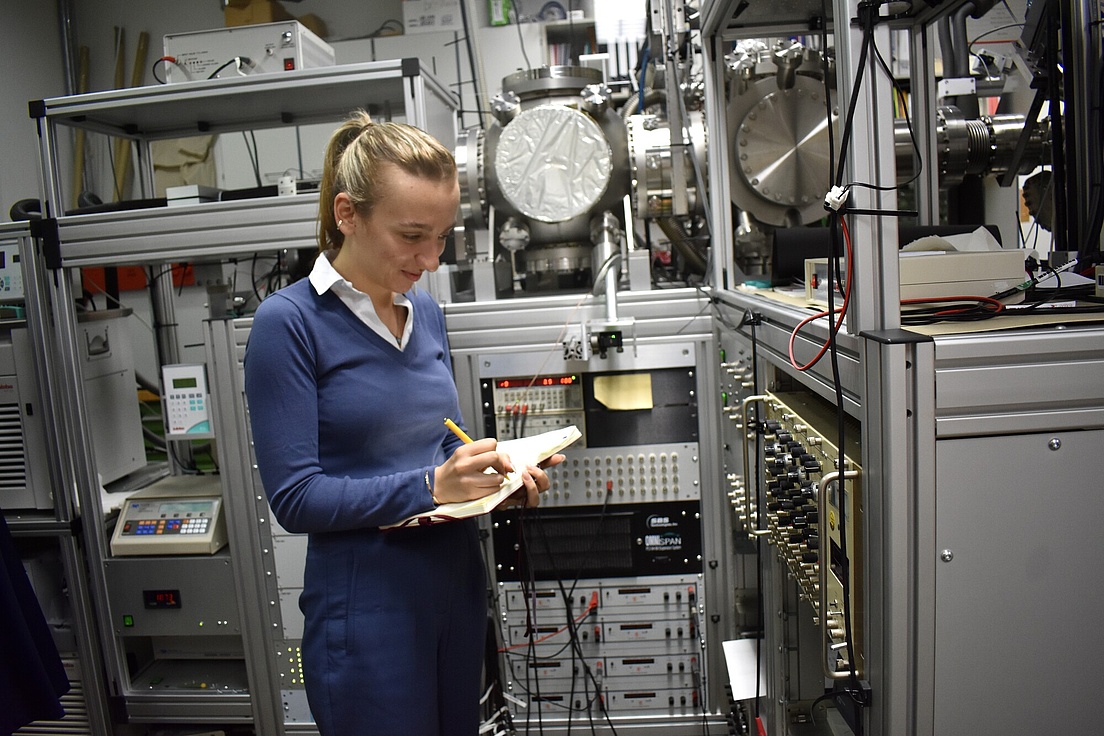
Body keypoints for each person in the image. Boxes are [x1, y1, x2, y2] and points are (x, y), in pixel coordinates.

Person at [243, 111, 562, 736]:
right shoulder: (290, 325)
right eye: (413, 235)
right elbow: (295, 498)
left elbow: (442, 436)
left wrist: (494, 471)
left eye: (442, 236)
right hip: (366, 607)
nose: (431, 258)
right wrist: (430, 486)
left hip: (452, 586)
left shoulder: (426, 312)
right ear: (347, 215)